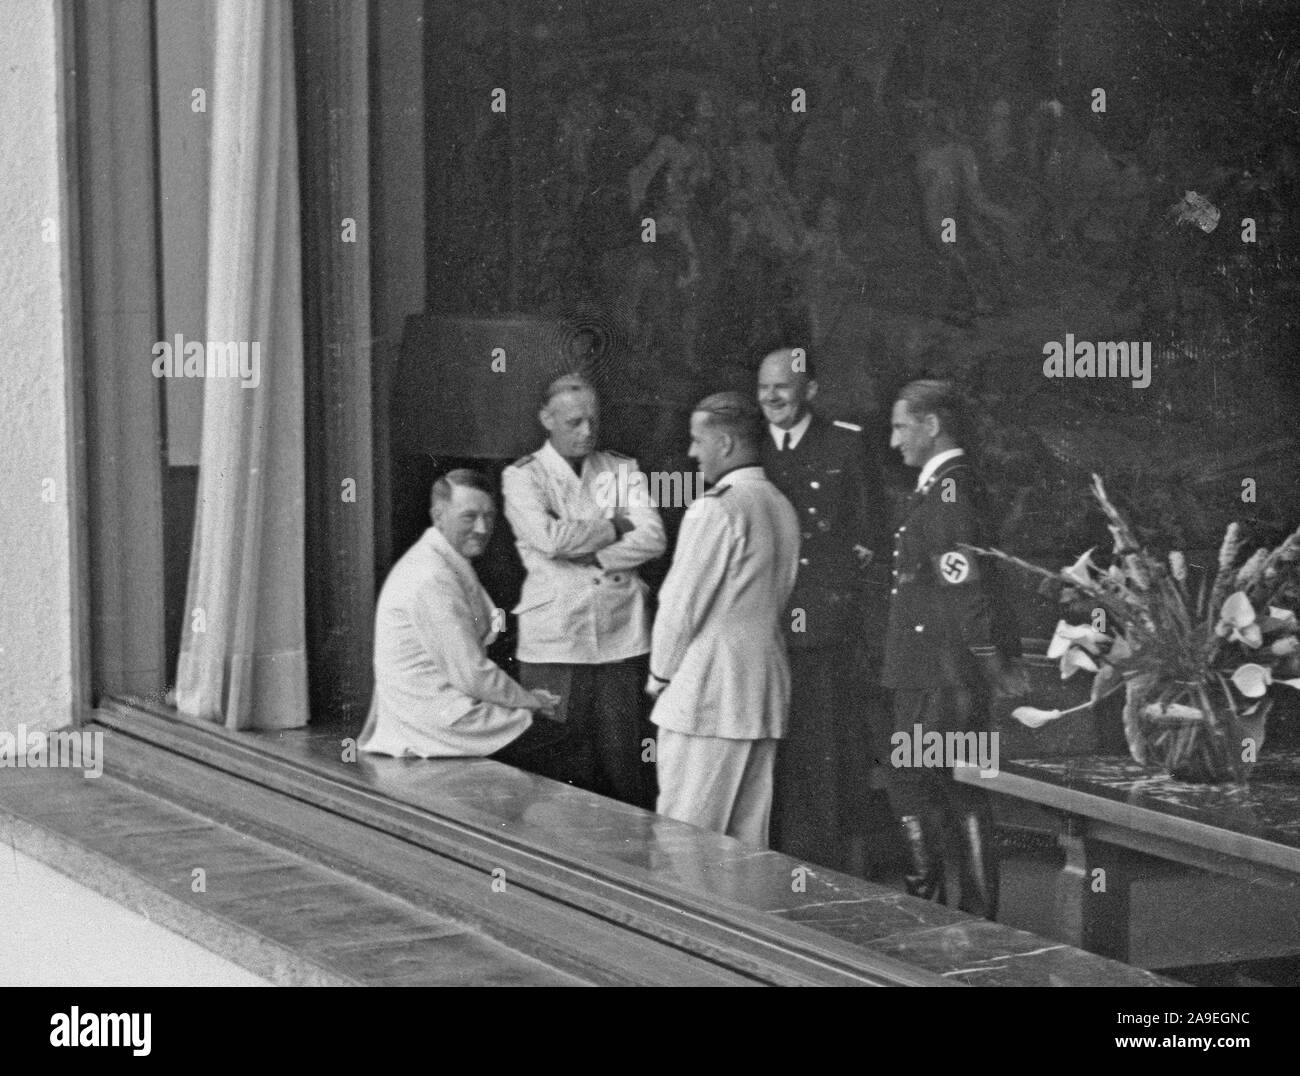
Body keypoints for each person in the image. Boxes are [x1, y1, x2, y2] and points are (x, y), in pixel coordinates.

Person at [883, 380, 1026, 919]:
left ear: (931, 425)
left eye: (900, 426)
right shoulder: (949, 484)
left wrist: (989, 662)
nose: (894, 439)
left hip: (937, 672)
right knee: (959, 786)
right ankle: (972, 915)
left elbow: (963, 583)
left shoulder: (948, 488)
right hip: (942, 668)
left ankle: (934, 911)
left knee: (921, 785)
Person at [502, 373, 667, 807]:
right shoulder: (523, 477)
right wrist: (615, 525)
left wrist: (595, 555)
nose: (587, 431)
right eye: (574, 422)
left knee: (623, 762)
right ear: (546, 419)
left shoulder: (619, 468)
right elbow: (549, 539)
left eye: (593, 420)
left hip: (619, 634)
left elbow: (653, 535)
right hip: (556, 636)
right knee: (556, 759)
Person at [647, 391, 800, 847]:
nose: (693, 453)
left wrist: (660, 674)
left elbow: (681, 606)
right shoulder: (780, 505)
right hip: (763, 688)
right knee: (746, 844)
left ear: (727, 444)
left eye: (698, 441)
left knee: (684, 841)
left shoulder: (716, 507)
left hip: (709, 693)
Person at [757, 348, 888, 873]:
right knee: (775, 739)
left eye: (783, 387)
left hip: (825, 623)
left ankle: (828, 860)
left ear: (809, 389)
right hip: (764, 617)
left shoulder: (845, 443)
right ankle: (774, 852)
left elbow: (871, 536)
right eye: (764, 388)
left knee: (825, 742)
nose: (772, 398)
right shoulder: (750, 447)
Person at [358, 470, 565, 775]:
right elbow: (470, 673)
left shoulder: (441, 561)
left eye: (489, 516)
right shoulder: (431, 577)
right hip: (434, 720)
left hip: (436, 709)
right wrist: (530, 701)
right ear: (438, 515)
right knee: (569, 747)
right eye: (469, 517)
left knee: (553, 741)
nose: (482, 528)